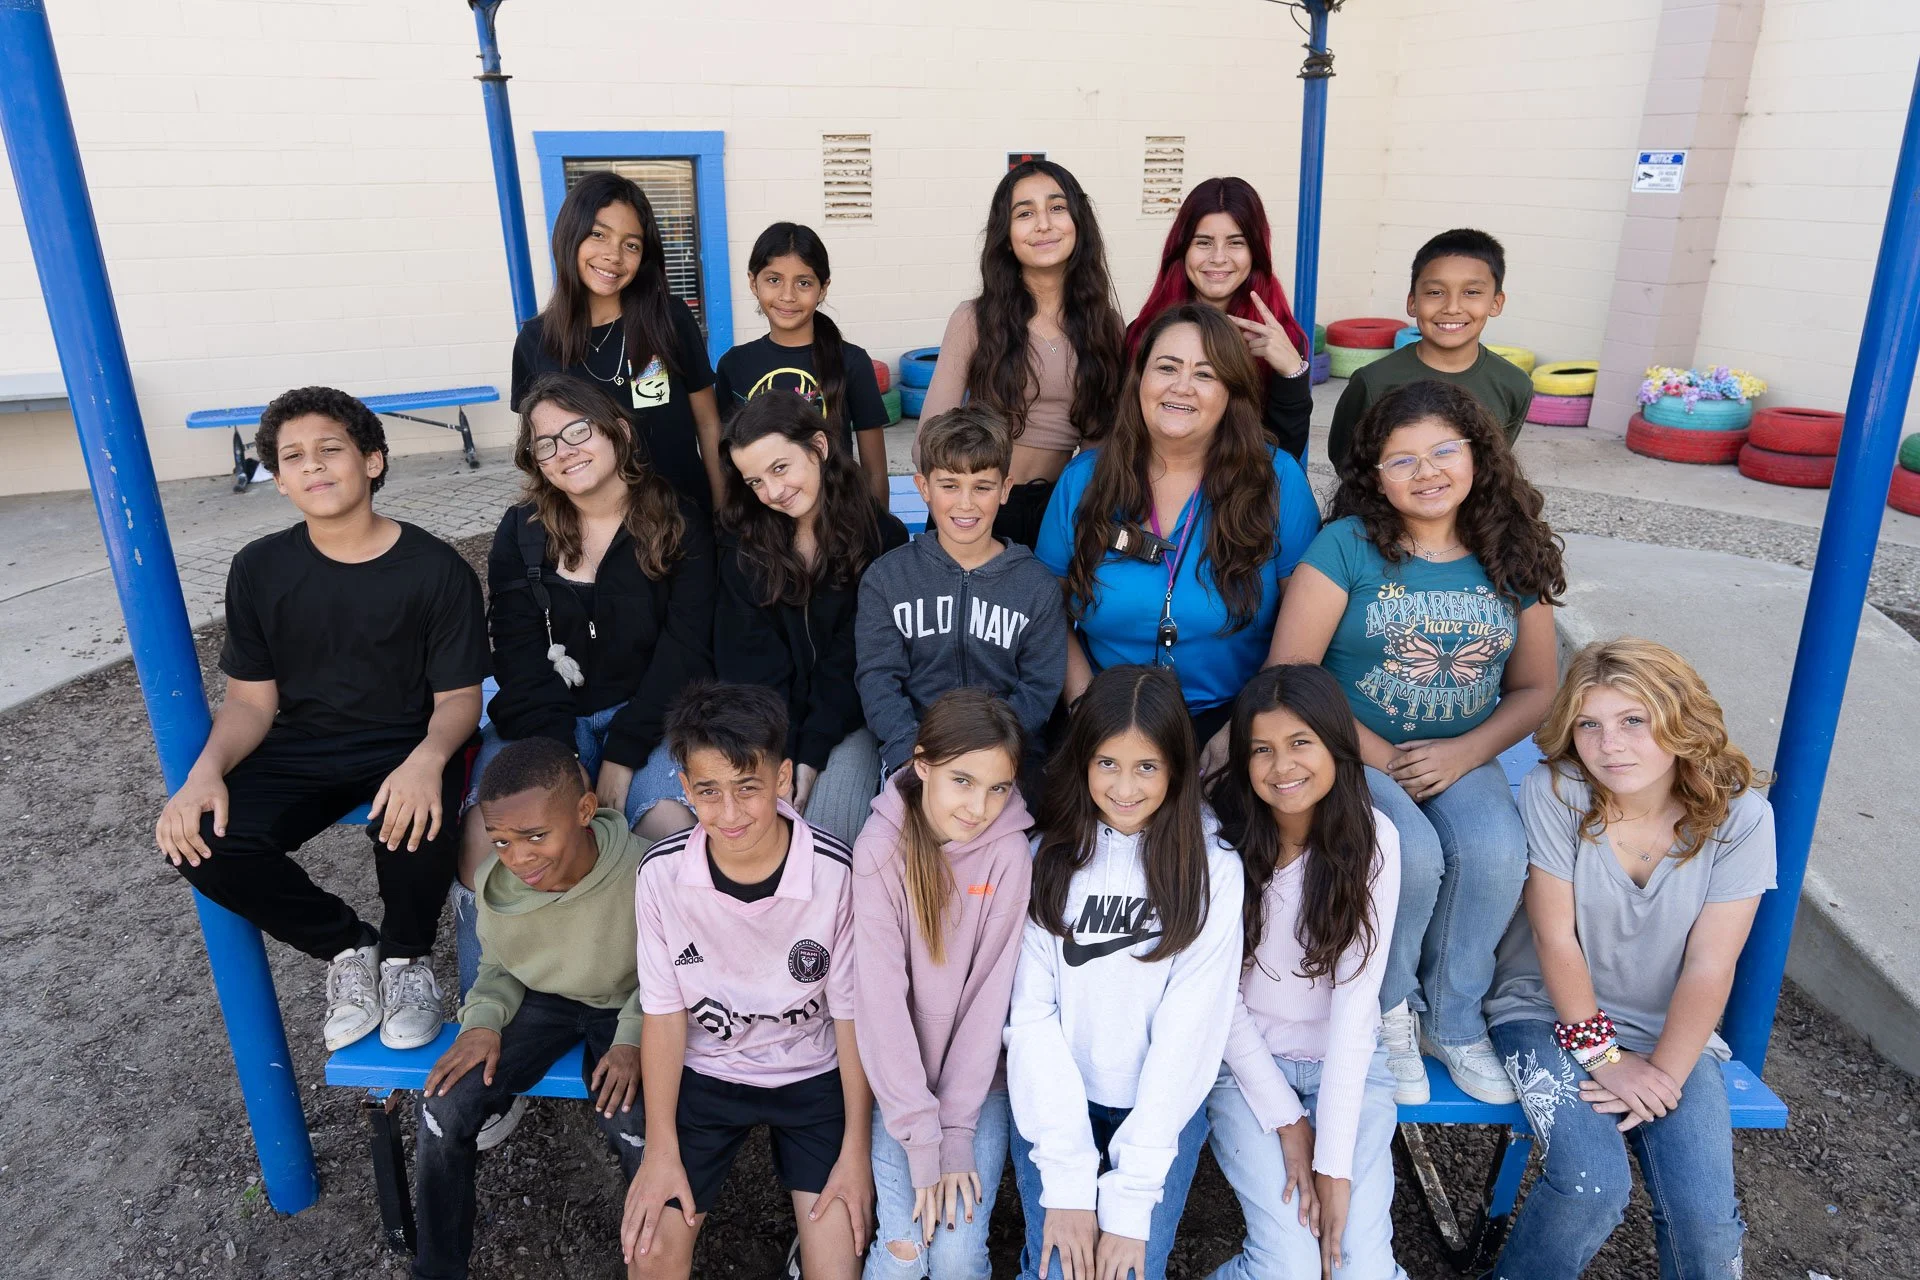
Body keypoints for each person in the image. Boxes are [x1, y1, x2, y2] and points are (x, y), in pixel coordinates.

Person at [156, 386, 485, 1052]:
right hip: (301, 744)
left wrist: (426, 762)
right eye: (293, 457)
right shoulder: (259, 569)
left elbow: (458, 701)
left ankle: (404, 959)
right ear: (278, 481)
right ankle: (349, 948)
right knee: (200, 837)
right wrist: (205, 773)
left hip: (407, 739)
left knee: (414, 824)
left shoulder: (435, 569)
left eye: (330, 449)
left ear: (372, 460)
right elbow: (251, 701)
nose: (313, 466)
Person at [1266, 378, 1563, 1107]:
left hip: (1461, 750)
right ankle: (1389, 1009)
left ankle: (1454, 1019)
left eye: (1441, 452)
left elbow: (1536, 688)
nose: (1425, 472)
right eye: (1401, 461)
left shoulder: (1508, 548)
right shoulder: (1348, 547)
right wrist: (1374, 754)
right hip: (1350, 743)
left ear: (1476, 455)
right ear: (1372, 476)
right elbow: (1291, 671)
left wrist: (1465, 752)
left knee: (1497, 854)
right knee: (1413, 855)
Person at [1481, 638, 1773, 1280]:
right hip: (1547, 1012)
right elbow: (1556, 939)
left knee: (1706, 1223)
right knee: (1591, 1187)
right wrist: (1605, 1058)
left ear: (1679, 719)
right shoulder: (1558, 790)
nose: (1608, 744)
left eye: (1632, 721)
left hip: (1671, 1033)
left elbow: (1711, 966)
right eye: (1589, 725)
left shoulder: (1741, 816)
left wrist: (1659, 1078)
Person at [453, 372, 711, 994]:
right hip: (546, 720)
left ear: (619, 430)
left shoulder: (679, 523)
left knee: (666, 832)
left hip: (649, 717)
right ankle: (491, 1001)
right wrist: (562, 763)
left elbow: (685, 655)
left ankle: (647, 1001)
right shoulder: (522, 533)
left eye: (578, 430)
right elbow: (516, 654)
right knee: (481, 844)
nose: (564, 450)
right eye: (545, 443)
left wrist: (620, 756)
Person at [622, 682, 873, 1280]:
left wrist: (856, 1152)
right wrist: (660, 1151)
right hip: (709, 1075)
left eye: (748, 788)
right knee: (649, 1257)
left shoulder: (838, 876)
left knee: (838, 1268)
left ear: (783, 778)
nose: (729, 814)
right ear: (684, 787)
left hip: (813, 1078)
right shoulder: (659, 876)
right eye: (708, 792)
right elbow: (662, 1015)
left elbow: (851, 1019)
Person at [1006, 665, 1242, 1280]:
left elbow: (1190, 1034)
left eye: (1147, 766)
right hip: (1061, 1101)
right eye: (1107, 763)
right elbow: (1031, 1017)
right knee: (1061, 1270)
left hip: (1159, 1109)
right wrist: (1067, 1181)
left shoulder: (1212, 867)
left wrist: (1131, 1198)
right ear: (1082, 761)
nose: (1125, 787)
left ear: (1176, 768)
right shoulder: (1047, 857)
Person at [411, 737, 650, 1280]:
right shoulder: (501, 887)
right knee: (440, 1108)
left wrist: (633, 1037)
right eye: (500, 842)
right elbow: (499, 967)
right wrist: (481, 1024)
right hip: (542, 1001)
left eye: (535, 836)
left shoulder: (643, 872)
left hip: (630, 1001)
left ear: (585, 812)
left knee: (638, 1125)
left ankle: (652, 1265)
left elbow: (669, 971)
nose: (518, 858)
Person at [1037, 304, 1320, 747]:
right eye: (1166, 367)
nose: (1182, 386)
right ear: (1140, 381)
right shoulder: (1083, 480)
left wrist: (1246, 732)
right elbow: (1046, 609)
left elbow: (1306, 628)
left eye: (1206, 374)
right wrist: (1084, 706)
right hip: (1107, 711)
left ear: (1232, 392)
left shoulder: (1278, 480)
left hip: (1235, 717)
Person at [1205, 665, 1408, 1280]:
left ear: (1336, 748)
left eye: (1301, 744)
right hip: (1242, 1068)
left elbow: (1355, 1010)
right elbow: (1219, 1001)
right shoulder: (1220, 841)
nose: (1282, 766)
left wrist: (1334, 1167)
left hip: (1347, 1067)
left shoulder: (1375, 842)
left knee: (1357, 1268)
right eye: (1262, 750)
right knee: (1289, 1268)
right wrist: (1289, 1122)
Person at [851, 689, 1033, 1280]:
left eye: (998, 788)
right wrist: (923, 1142)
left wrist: (955, 1133)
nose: (979, 806)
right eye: (962, 780)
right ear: (922, 764)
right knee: (904, 1257)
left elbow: (990, 998)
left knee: (956, 1259)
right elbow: (880, 1006)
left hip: (979, 1091)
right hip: (900, 1088)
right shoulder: (880, 849)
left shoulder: (1009, 852)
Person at [717, 391, 908, 845]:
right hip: (764, 724)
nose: (772, 493)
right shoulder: (740, 546)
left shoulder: (883, 539)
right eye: (754, 482)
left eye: (780, 468)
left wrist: (812, 750)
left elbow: (858, 658)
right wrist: (781, 752)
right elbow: (748, 662)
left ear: (819, 447)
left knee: (827, 834)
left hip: (847, 719)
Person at [855, 404, 1067, 790]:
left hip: (1008, 757)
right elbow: (878, 679)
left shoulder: (1036, 586)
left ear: (1004, 490)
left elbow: (1039, 688)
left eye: (982, 487)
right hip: (916, 756)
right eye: (949, 485)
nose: (965, 503)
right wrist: (911, 751)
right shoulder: (886, 579)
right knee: (891, 846)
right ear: (923, 488)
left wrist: (988, 756)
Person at [919, 159, 1126, 546]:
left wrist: (1086, 511)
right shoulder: (974, 319)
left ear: (1078, 223)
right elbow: (927, 440)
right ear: (1007, 234)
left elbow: (1100, 446)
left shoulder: (1106, 326)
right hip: (981, 507)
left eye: (1057, 208)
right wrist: (967, 501)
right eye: (1025, 213)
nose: (1043, 224)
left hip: (1061, 509)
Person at [511, 170, 726, 510]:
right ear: (570, 236)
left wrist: (722, 510)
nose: (614, 255)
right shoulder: (535, 341)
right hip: (594, 532)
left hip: (683, 517)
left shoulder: (669, 318)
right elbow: (541, 449)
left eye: (631, 244)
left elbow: (708, 422)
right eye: (599, 234)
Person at [1125, 176, 1313, 462]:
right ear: (1182, 249)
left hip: (1242, 492)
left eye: (1236, 243)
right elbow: (1124, 433)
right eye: (1203, 242)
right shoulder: (1142, 333)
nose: (1218, 258)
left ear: (1256, 252)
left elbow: (1284, 457)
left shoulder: (1280, 339)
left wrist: (1292, 375)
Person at [1326, 228, 1533, 468]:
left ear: (1496, 303)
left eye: (1472, 292)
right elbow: (1346, 462)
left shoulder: (1514, 384)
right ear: (1412, 302)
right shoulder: (1373, 382)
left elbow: (1496, 463)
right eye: (1435, 292)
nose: (1452, 307)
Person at [715, 222, 891, 504]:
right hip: (763, 528)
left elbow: (875, 472)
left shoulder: (853, 361)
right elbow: (728, 466)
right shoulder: (734, 365)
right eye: (774, 280)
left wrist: (880, 536)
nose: (788, 295)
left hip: (839, 523)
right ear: (752, 282)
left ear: (823, 289)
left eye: (804, 283)